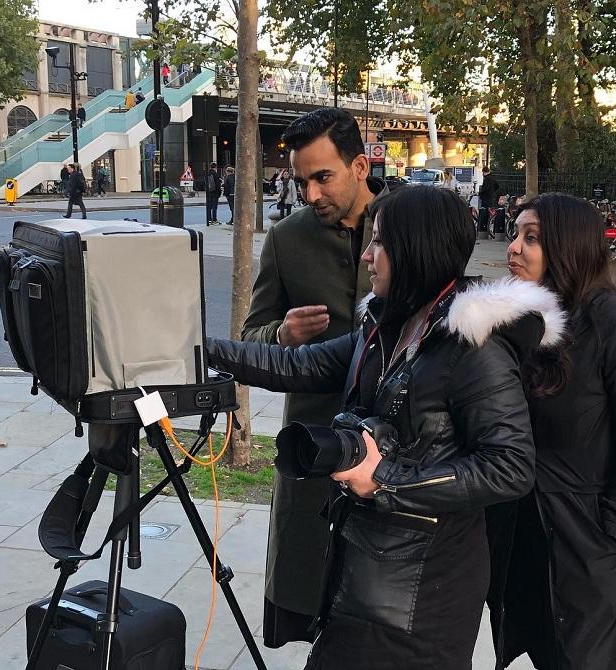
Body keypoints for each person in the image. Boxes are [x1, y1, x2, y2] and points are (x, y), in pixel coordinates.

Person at [210, 185, 565, 669]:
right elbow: (295, 366)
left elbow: (510, 467)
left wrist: (385, 480)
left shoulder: (472, 346)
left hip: (423, 595)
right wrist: (194, 351)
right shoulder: (384, 326)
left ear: (416, 250)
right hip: (362, 568)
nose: (368, 258)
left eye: (380, 244)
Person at [241, 107, 389, 648]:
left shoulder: (408, 221)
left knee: (383, 615)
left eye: (322, 177)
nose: (309, 193)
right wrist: (281, 336)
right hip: (313, 443)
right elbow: (250, 337)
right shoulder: (286, 239)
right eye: (302, 180)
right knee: (309, 596)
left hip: (395, 451)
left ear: (358, 166)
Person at [488, 193, 616, 670]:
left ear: (569, 246)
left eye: (532, 237)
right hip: (528, 538)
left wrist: (608, 528)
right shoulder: (528, 321)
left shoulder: (605, 318)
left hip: (588, 547)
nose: (514, 247)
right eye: (515, 234)